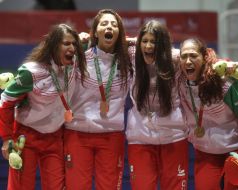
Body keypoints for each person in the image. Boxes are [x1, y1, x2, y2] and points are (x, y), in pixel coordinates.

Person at [0, 23, 86, 190]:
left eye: (74, 44)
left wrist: (85, 37)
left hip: (54, 137)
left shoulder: (74, 62)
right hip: (26, 136)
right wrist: (7, 139)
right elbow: (5, 102)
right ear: (53, 45)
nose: (72, 48)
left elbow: (102, 40)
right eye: (66, 44)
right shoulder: (31, 72)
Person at [64, 9, 132, 190]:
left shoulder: (128, 60)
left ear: (119, 32)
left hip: (112, 136)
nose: (109, 27)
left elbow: (161, 49)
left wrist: (133, 41)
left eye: (114, 24)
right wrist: (74, 43)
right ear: (94, 32)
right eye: (104, 24)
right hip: (77, 133)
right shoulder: (79, 59)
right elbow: (50, 56)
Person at [178, 37, 238, 190]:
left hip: (235, 151)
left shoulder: (224, 82)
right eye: (184, 56)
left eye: (193, 55)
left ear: (205, 57)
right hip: (205, 153)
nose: (187, 61)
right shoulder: (179, 81)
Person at [125, 20, 189, 190]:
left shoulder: (176, 59)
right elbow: (113, 42)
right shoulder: (132, 54)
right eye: (144, 41)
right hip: (140, 137)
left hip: (173, 136)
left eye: (153, 42)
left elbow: (203, 60)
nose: (148, 46)